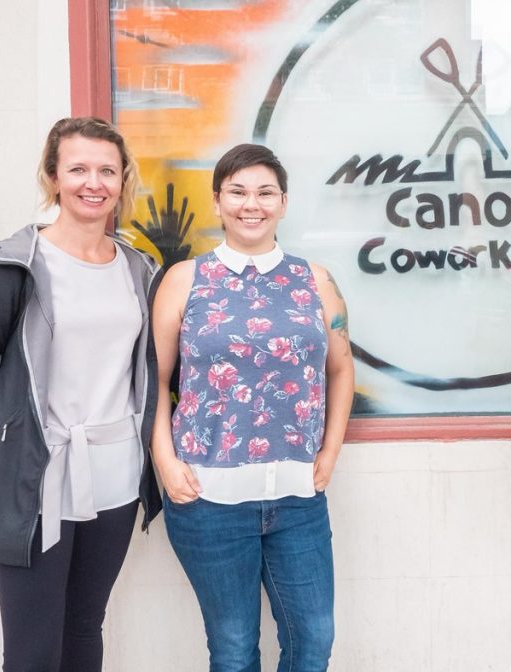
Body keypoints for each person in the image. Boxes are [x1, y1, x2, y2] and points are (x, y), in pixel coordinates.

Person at [0, 117, 161, 671]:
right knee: (34, 650)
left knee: (85, 627)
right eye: (79, 168)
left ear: (123, 179)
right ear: (53, 176)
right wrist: (11, 443)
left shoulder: (138, 267)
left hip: (115, 477)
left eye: (107, 170)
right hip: (37, 477)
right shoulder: (12, 266)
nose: (95, 182)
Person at [151, 143, 354, 672]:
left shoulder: (317, 281)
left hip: (297, 499)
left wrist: (330, 451)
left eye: (265, 192)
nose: (251, 204)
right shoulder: (184, 280)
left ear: (284, 203)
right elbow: (155, 382)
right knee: (235, 649)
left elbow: (340, 368)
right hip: (207, 498)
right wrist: (165, 462)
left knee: (313, 641)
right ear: (218, 201)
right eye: (238, 192)